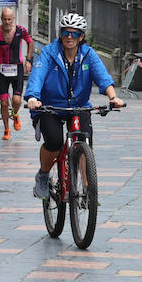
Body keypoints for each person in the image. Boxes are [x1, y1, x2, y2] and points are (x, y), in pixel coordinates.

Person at [24, 12, 124, 198]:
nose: (70, 37)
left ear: (82, 36)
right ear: (60, 34)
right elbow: (37, 75)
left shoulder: (88, 55)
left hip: (80, 106)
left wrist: (113, 97)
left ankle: (87, 189)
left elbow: (103, 77)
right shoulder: (50, 52)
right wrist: (32, 97)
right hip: (50, 107)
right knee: (54, 142)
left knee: (84, 142)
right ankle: (43, 174)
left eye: (75, 33)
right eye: (66, 32)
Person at [0, 7, 34, 141]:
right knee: (4, 103)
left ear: (13, 19)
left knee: (17, 100)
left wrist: (28, 60)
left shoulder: (20, 30)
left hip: (17, 67)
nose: (7, 22)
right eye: (4, 19)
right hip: (2, 69)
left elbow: (30, 42)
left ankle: (15, 114)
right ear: (1, 19)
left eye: (9, 19)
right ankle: (7, 129)